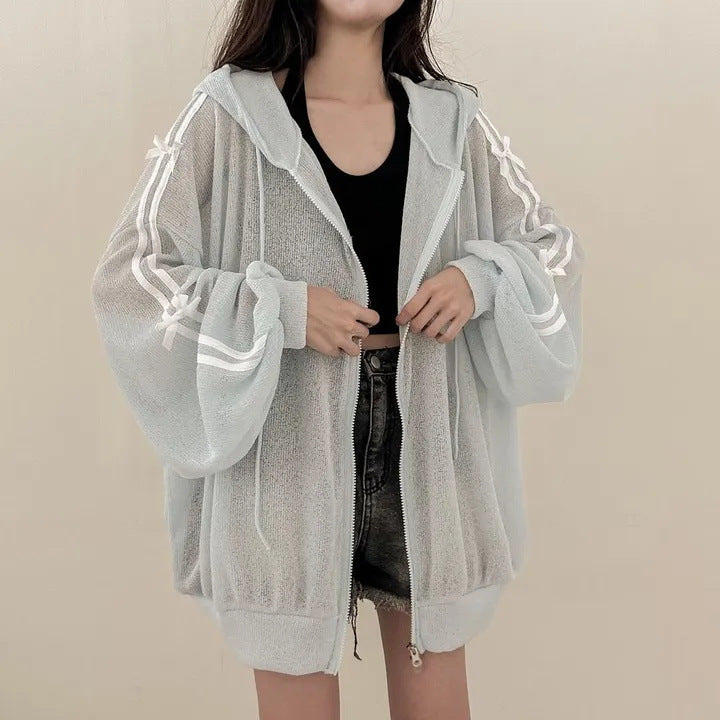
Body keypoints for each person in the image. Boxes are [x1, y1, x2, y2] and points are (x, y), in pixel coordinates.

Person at [90, 0, 585, 717]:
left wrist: (481, 279)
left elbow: (552, 249)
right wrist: (281, 310)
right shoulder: (230, 115)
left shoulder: (452, 122)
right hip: (283, 455)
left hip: (431, 451)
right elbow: (132, 275)